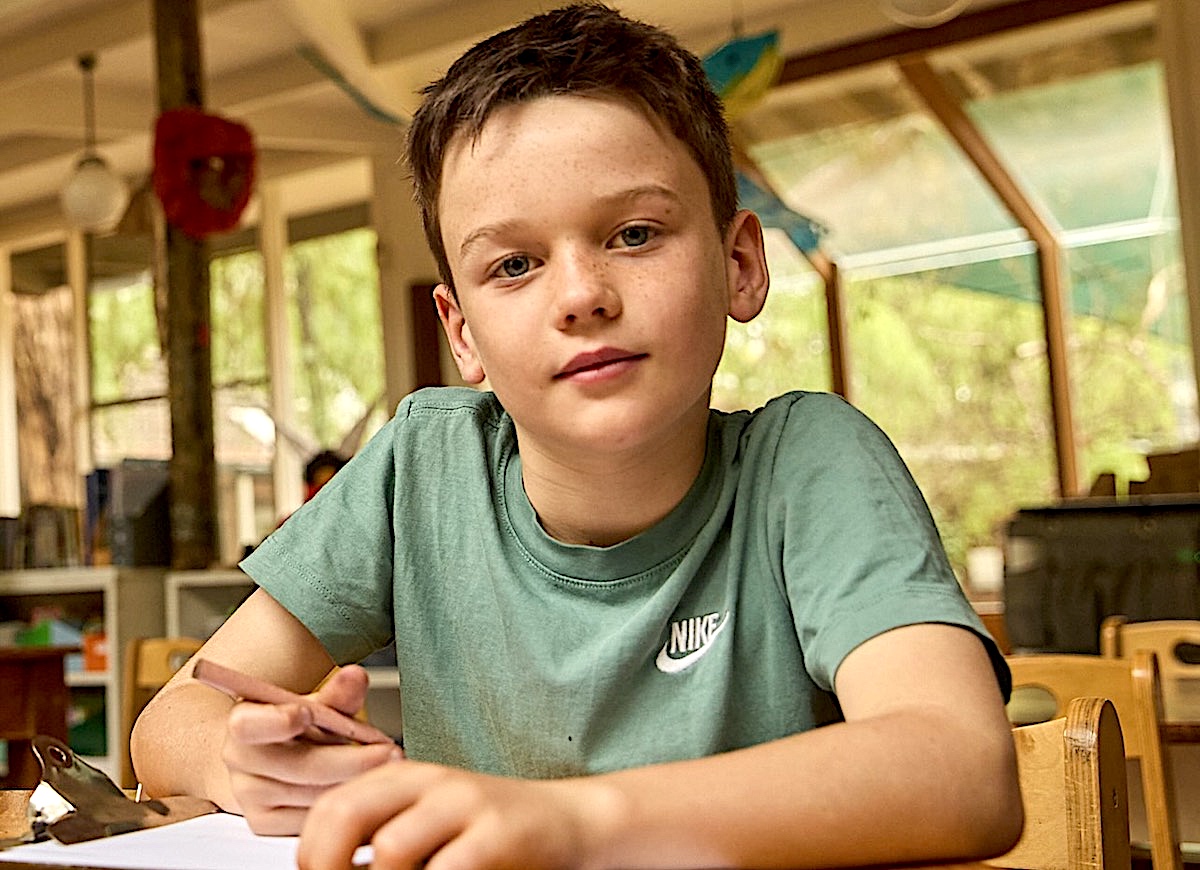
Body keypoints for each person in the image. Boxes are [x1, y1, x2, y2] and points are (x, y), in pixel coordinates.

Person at [132, 4, 1022, 868]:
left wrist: (567, 823)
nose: (581, 296)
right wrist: (244, 763)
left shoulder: (808, 463)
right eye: (514, 264)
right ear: (462, 333)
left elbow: (962, 770)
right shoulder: (423, 466)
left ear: (740, 264)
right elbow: (169, 723)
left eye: (634, 234)